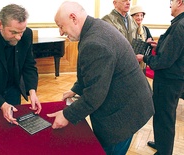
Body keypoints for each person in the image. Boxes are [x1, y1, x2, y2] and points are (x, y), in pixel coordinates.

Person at [47, 1, 154, 155]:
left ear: (73, 18)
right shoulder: (94, 27)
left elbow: (95, 95)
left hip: (122, 116)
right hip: (130, 103)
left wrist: (66, 115)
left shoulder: (95, 42)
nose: (61, 32)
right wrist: (76, 89)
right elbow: (95, 73)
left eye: (61, 26)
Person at [137, 0, 184, 154]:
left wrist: (144, 58)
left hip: (168, 82)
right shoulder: (180, 23)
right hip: (173, 80)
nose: (170, 6)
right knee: (164, 115)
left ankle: (164, 151)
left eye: (171, 2)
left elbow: (164, 61)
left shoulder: (179, 26)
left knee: (164, 118)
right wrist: (159, 46)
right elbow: (175, 51)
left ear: (180, 2)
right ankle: (162, 144)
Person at [130, 5, 153, 71]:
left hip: (142, 64)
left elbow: (150, 48)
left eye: (141, 15)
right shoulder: (128, 30)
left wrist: (148, 44)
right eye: (137, 15)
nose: (140, 18)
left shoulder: (145, 29)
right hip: (130, 63)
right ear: (131, 17)